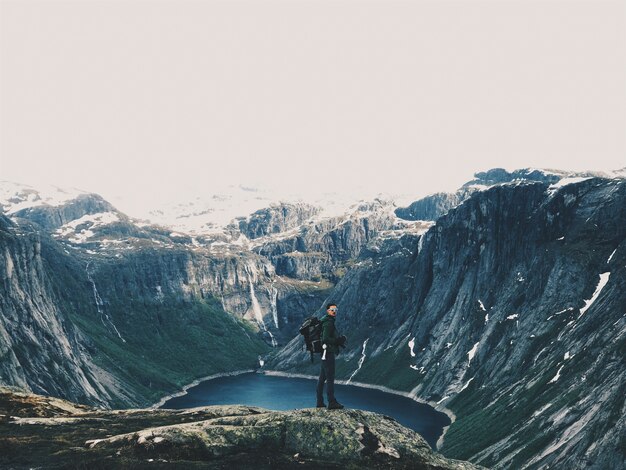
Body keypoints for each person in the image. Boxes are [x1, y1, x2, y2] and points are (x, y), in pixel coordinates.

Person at [316, 303, 346, 409]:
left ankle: (320, 402)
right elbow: (325, 339)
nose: (334, 311)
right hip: (328, 353)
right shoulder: (328, 323)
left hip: (324, 353)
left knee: (322, 378)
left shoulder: (325, 321)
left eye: (336, 309)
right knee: (330, 378)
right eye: (332, 309)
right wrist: (337, 341)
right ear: (327, 310)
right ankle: (332, 402)